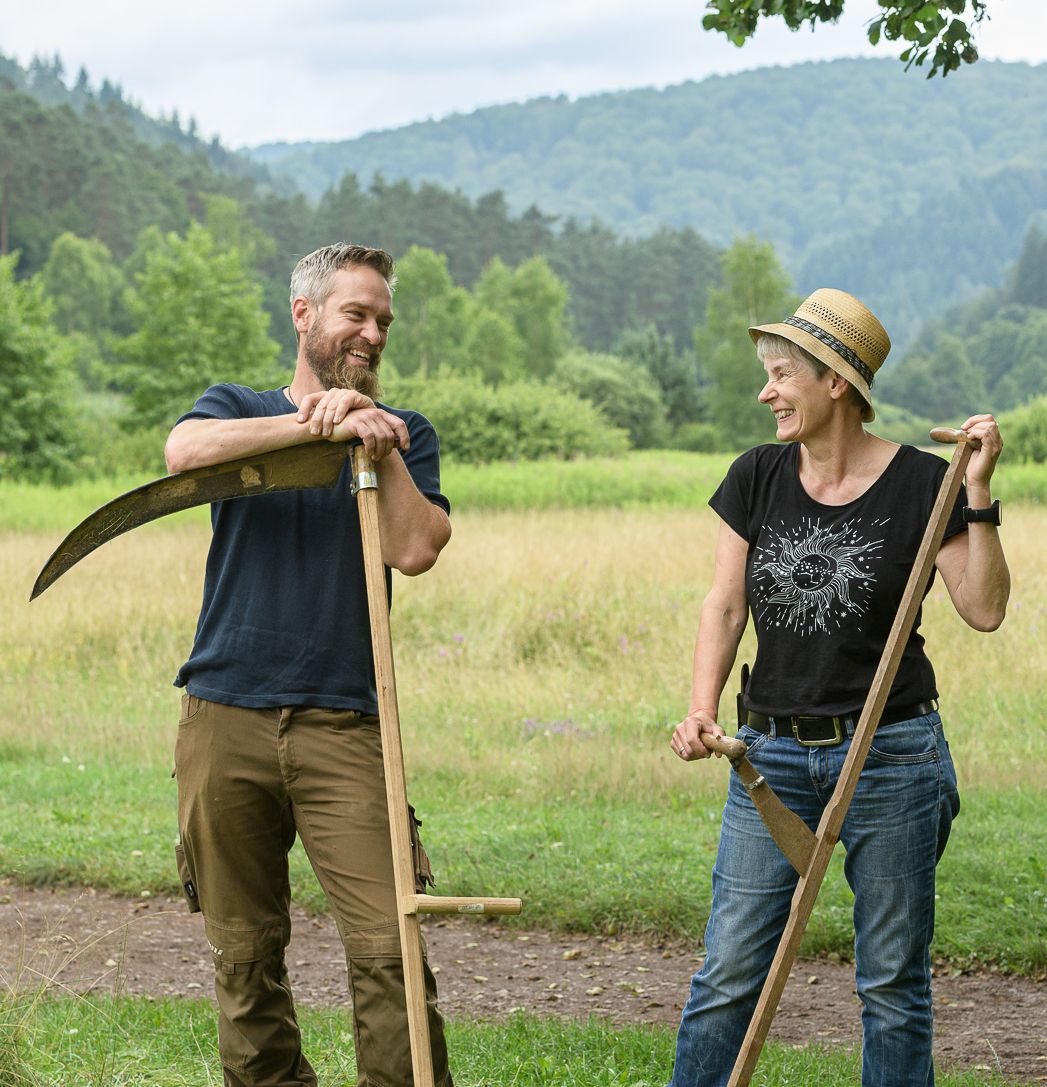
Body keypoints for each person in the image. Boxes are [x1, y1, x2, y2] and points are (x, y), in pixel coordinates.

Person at [666, 288, 1010, 1087]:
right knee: (725, 976)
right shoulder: (755, 474)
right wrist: (700, 706)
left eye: (781, 374)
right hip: (769, 757)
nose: (766, 392)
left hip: (889, 755)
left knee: (890, 981)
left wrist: (979, 492)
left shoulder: (927, 482)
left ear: (835, 383)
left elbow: (984, 609)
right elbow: (723, 602)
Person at [164, 243, 454, 1087]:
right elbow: (182, 454)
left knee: (388, 948)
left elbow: (415, 548)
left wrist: (376, 441)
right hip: (224, 714)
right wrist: (313, 421)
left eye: (383, 321)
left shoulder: (405, 434)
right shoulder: (238, 407)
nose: (372, 332)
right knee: (244, 954)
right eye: (355, 314)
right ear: (304, 315)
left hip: (345, 722)